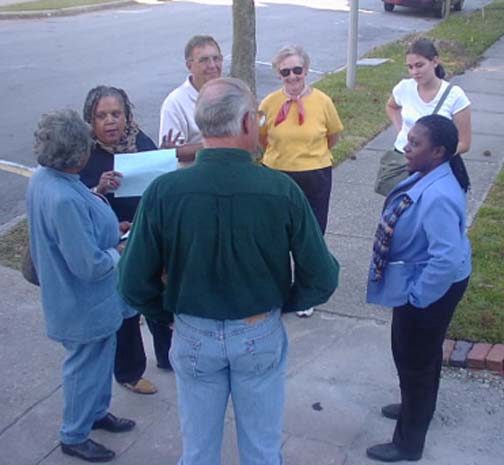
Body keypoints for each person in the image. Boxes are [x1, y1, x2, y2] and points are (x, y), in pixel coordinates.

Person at [118, 77, 340, 465]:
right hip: (258, 328)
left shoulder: (163, 192)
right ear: (246, 124)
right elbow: (322, 276)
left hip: (193, 330)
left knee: (198, 451)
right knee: (262, 450)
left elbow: (132, 280)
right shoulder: (281, 190)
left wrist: (166, 313)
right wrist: (283, 303)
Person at [26, 109, 135, 463]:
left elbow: (74, 220)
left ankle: (96, 412)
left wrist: (97, 192)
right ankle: (73, 434)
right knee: (84, 366)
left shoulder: (44, 178)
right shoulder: (65, 199)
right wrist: (118, 251)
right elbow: (88, 265)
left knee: (98, 361)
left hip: (81, 301)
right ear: (78, 155)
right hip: (81, 303)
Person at [366, 115, 471, 462]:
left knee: (414, 360)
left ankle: (408, 443)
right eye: (408, 140)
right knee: (421, 357)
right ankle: (417, 408)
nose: (406, 147)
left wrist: (418, 297)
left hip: (431, 288)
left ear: (438, 151)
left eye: (415, 143)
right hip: (422, 281)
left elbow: (447, 259)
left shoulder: (439, 195)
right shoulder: (431, 174)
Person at [80, 85, 173, 396]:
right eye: (102, 115)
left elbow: (158, 183)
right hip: (114, 246)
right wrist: (99, 189)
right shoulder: (83, 155)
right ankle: (129, 372)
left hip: (148, 236)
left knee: (159, 297)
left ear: (127, 115)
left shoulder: (141, 142)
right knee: (127, 311)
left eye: (116, 114)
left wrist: (164, 156)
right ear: (90, 120)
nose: (110, 122)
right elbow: (77, 207)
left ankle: (168, 356)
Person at [259, 45, 344, 317]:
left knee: (311, 235)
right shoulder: (269, 103)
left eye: (297, 70)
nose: (293, 76)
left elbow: (333, 135)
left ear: (306, 70)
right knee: (276, 236)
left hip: (315, 174)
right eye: (286, 72)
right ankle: (277, 288)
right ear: (279, 74)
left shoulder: (323, 101)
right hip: (278, 176)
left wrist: (311, 155)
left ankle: (307, 293)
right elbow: (262, 139)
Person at [380, 37, 472, 194]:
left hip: (434, 169)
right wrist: (403, 131)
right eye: (410, 67)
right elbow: (391, 106)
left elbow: (464, 143)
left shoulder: (455, 96)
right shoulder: (404, 88)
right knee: (399, 211)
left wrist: (436, 155)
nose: (414, 72)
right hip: (403, 161)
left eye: (419, 65)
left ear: (435, 62)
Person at [158, 35, 223, 166]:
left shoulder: (231, 93)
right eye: (204, 60)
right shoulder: (175, 103)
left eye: (216, 59)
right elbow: (173, 154)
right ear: (189, 65)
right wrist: (224, 144)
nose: (212, 65)